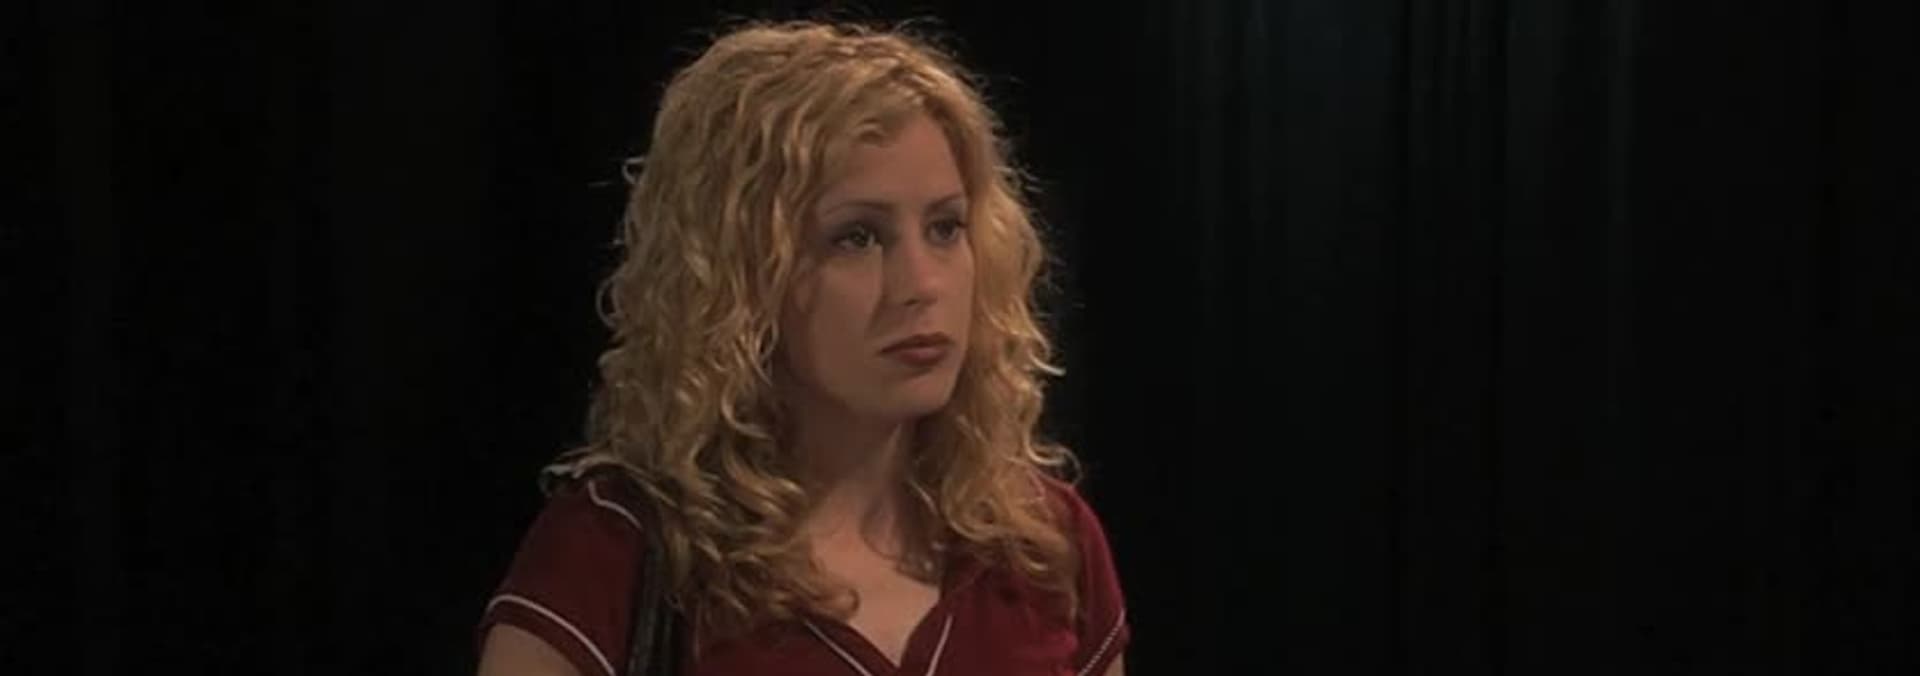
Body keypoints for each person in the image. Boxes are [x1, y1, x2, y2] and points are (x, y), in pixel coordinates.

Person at [475, 19, 1129, 676]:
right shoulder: (614, 555)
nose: (922, 285)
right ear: (742, 272)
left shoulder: (1045, 546)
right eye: (857, 237)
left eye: (945, 227)